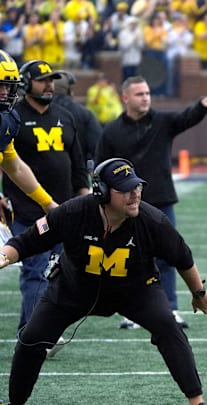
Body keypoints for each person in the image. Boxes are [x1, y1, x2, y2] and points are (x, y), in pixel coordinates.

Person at [0, 157, 207, 405]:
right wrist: (4, 255)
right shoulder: (73, 212)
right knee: (30, 339)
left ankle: (197, 400)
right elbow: (26, 241)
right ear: (101, 192)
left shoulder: (152, 220)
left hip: (136, 292)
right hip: (73, 290)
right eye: (125, 190)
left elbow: (183, 257)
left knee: (168, 328)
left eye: (137, 187)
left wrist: (199, 293)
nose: (135, 195)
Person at [95, 76, 207, 329]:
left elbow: (185, 118)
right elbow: (100, 168)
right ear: (125, 98)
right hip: (125, 207)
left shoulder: (161, 121)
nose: (146, 97)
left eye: (148, 93)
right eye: (139, 94)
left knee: (168, 256)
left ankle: (170, 308)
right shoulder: (112, 130)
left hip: (160, 201)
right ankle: (131, 311)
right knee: (127, 257)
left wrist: (202, 106)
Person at [6, 59, 89, 337]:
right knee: (36, 271)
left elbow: (75, 162)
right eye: (43, 80)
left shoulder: (63, 115)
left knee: (58, 273)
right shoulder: (15, 115)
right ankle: (33, 331)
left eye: (52, 80)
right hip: (26, 212)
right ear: (28, 83)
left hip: (60, 209)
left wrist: (76, 197)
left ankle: (37, 328)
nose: (49, 85)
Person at [0, 50, 59, 239]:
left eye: (7, 87)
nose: (4, 93)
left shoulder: (6, 120)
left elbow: (14, 166)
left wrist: (47, 203)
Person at [53, 70, 103, 165]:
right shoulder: (84, 113)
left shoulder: (37, 111)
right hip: (77, 173)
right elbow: (98, 148)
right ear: (69, 90)